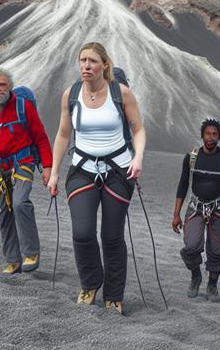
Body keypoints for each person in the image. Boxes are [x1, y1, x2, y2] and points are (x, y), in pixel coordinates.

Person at [47, 42, 146, 315]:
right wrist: (54, 172)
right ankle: (91, 283)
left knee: (112, 236)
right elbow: (63, 135)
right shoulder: (71, 94)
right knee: (82, 233)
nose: (85, 66)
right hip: (82, 169)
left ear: (104, 64)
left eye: (91, 61)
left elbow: (138, 129)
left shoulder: (121, 94)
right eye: (82, 61)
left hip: (118, 171)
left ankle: (114, 295)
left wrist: (137, 158)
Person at [0, 68, 53, 275]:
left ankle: (31, 253)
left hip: (22, 162)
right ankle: (13, 260)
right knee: (5, 212)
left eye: (3, 85)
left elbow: (41, 138)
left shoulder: (24, 108)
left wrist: (48, 167)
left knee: (19, 202)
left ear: (10, 87)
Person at [171, 118, 220, 301]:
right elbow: (182, 186)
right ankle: (196, 276)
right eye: (208, 134)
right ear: (202, 135)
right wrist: (176, 214)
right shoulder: (191, 158)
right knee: (191, 246)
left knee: (217, 251)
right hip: (195, 208)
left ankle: (212, 284)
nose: (211, 137)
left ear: (219, 137)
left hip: (218, 210)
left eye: (215, 134)